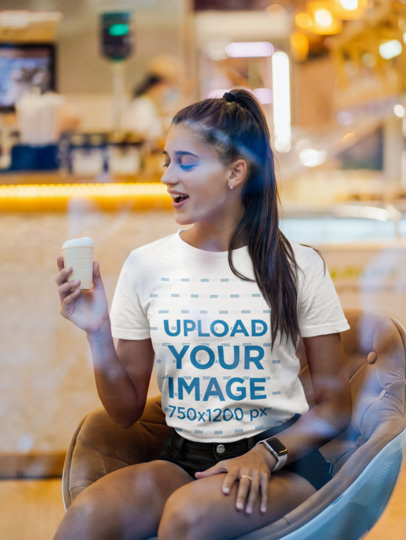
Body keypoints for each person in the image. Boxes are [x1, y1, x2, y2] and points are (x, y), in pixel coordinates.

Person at [54, 89, 352, 540]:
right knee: (85, 520)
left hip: (280, 464)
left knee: (186, 517)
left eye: (186, 162)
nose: (168, 177)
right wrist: (97, 331)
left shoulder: (299, 265)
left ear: (235, 172)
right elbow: (124, 412)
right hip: (184, 459)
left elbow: (335, 405)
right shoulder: (146, 264)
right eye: (166, 161)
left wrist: (266, 454)